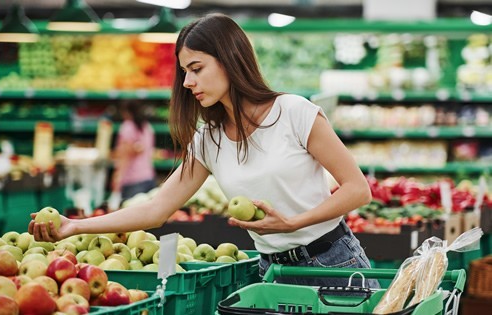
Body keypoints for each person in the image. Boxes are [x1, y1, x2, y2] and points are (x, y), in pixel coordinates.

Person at [30, 13, 379, 289]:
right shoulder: (208, 139)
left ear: (229, 60)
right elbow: (155, 209)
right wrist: (74, 227)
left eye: (196, 69)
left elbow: (357, 189)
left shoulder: (294, 113)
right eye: (184, 72)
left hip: (332, 262)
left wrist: (292, 223)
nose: (187, 83)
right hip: (270, 271)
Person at [111, 100, 156, 202]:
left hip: (132, 180)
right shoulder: (147, 127)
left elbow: (125, 155)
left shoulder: (127, 127)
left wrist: (117, 177)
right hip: (148, 176)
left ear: (126, 112)